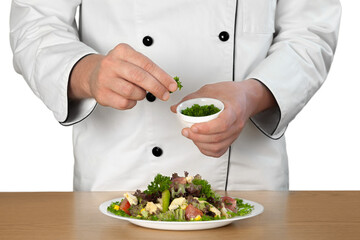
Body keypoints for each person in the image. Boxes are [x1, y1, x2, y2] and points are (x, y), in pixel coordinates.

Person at [10, 0, 341, 191]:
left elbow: (310, 35)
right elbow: (36, 25)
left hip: (245, 179)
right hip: (122, 172)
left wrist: (251, 97)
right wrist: (87, 72)